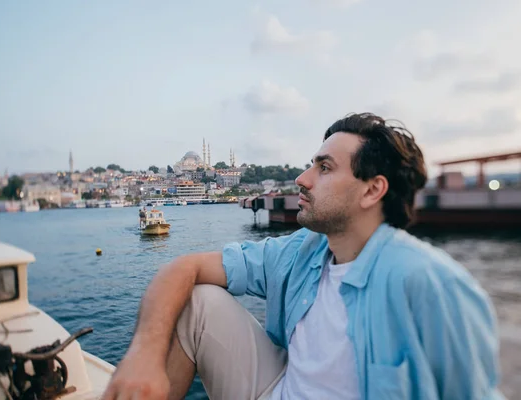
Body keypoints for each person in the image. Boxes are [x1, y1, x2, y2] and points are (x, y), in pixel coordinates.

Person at [103, 113, 504, 400]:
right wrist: (144, 355)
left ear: (371, 191)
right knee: (199, 298)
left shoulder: (431, 285)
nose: (302, 179)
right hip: (278, 389)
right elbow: (183, 267)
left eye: (324, 168)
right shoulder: (303, 251)